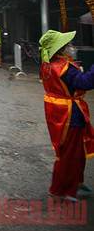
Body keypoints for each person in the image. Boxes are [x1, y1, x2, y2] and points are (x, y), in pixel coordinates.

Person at [38, 29, 94, 201]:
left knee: (75, 150)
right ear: (60, 49)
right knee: (69, 152)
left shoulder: (48, 63)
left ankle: (76, 181)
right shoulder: (65, 68)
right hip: (69, 113)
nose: (71, 46)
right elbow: (85, 83)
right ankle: (60, 189)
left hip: (57, 110)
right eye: (67, 44)